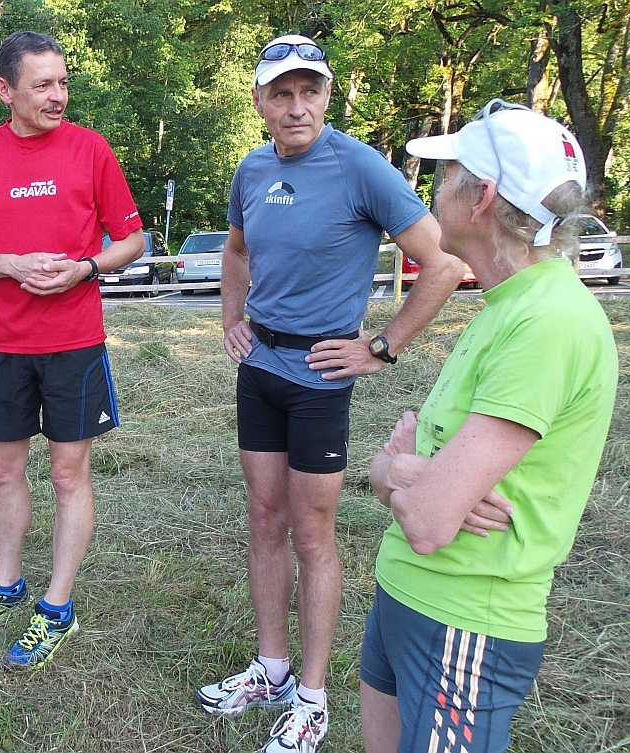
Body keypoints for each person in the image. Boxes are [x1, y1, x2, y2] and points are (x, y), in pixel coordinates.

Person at [194, 34, 464, 753]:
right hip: (261, 370)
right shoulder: (251, 168)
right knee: (262, 516)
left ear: (328, 94)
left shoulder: (361, 168)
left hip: (321, 379)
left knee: (312, 533)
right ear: (257, 101)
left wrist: (381, 347)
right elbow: (236, 250)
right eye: (280, 93)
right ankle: (271, 667)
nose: (295, 106)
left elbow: (441, 262)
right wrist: (230, 316)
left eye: (308, 90)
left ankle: (311, 698)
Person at [362, 100, 619, 752]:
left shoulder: (549, 322)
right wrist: (399, 472)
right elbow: (396, 477)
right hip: (407, 601)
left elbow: (424, 520)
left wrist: (402, 476)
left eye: (445, 174)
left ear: (482, 198)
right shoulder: (507, 307)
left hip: (465, 622)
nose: (431, 188)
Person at [0, 31, 145, 671]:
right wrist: (11, 264)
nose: (59, 96)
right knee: (2, 471)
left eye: (63, 82)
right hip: (5, 343)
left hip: (74, 342)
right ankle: (6, 586)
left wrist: (84, 268)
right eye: (43, 85)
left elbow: (131, 241)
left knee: (66, 473)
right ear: (6, 90)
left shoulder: (90, 148)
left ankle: (57, 606)